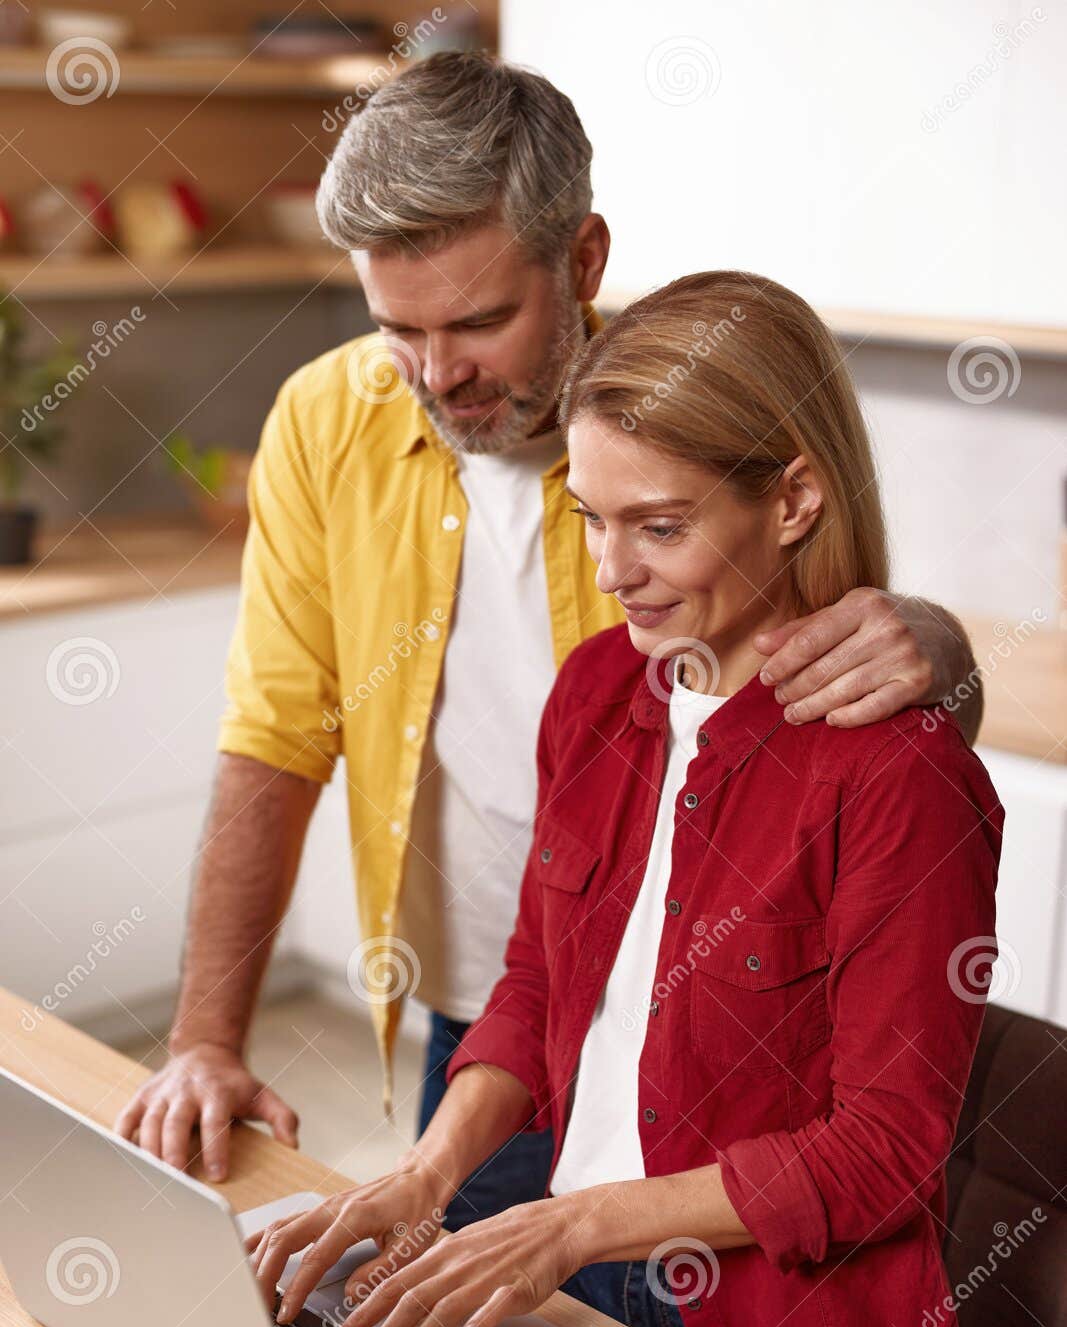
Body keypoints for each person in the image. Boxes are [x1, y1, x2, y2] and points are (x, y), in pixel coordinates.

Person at [118, 52, 981, 1233]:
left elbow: (836, 698)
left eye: (477, 320)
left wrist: (936, 644)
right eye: (396, 330)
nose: (435, 373)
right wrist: (207, 1043)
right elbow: (274, 737)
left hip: (708, 1026)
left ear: (581, 261)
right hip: (494, 1014)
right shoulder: (329, 421)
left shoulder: (681, 414)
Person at [251, 270, 1002, 1327]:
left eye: (657, 526)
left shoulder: (896, 774)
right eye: (590, 517)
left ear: (795, 497)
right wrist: (429, 1176)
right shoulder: (598, 691)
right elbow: (543, 982)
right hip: (576, 1283)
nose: (611, 569)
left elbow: (883, 1154)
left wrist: (570, 1220)